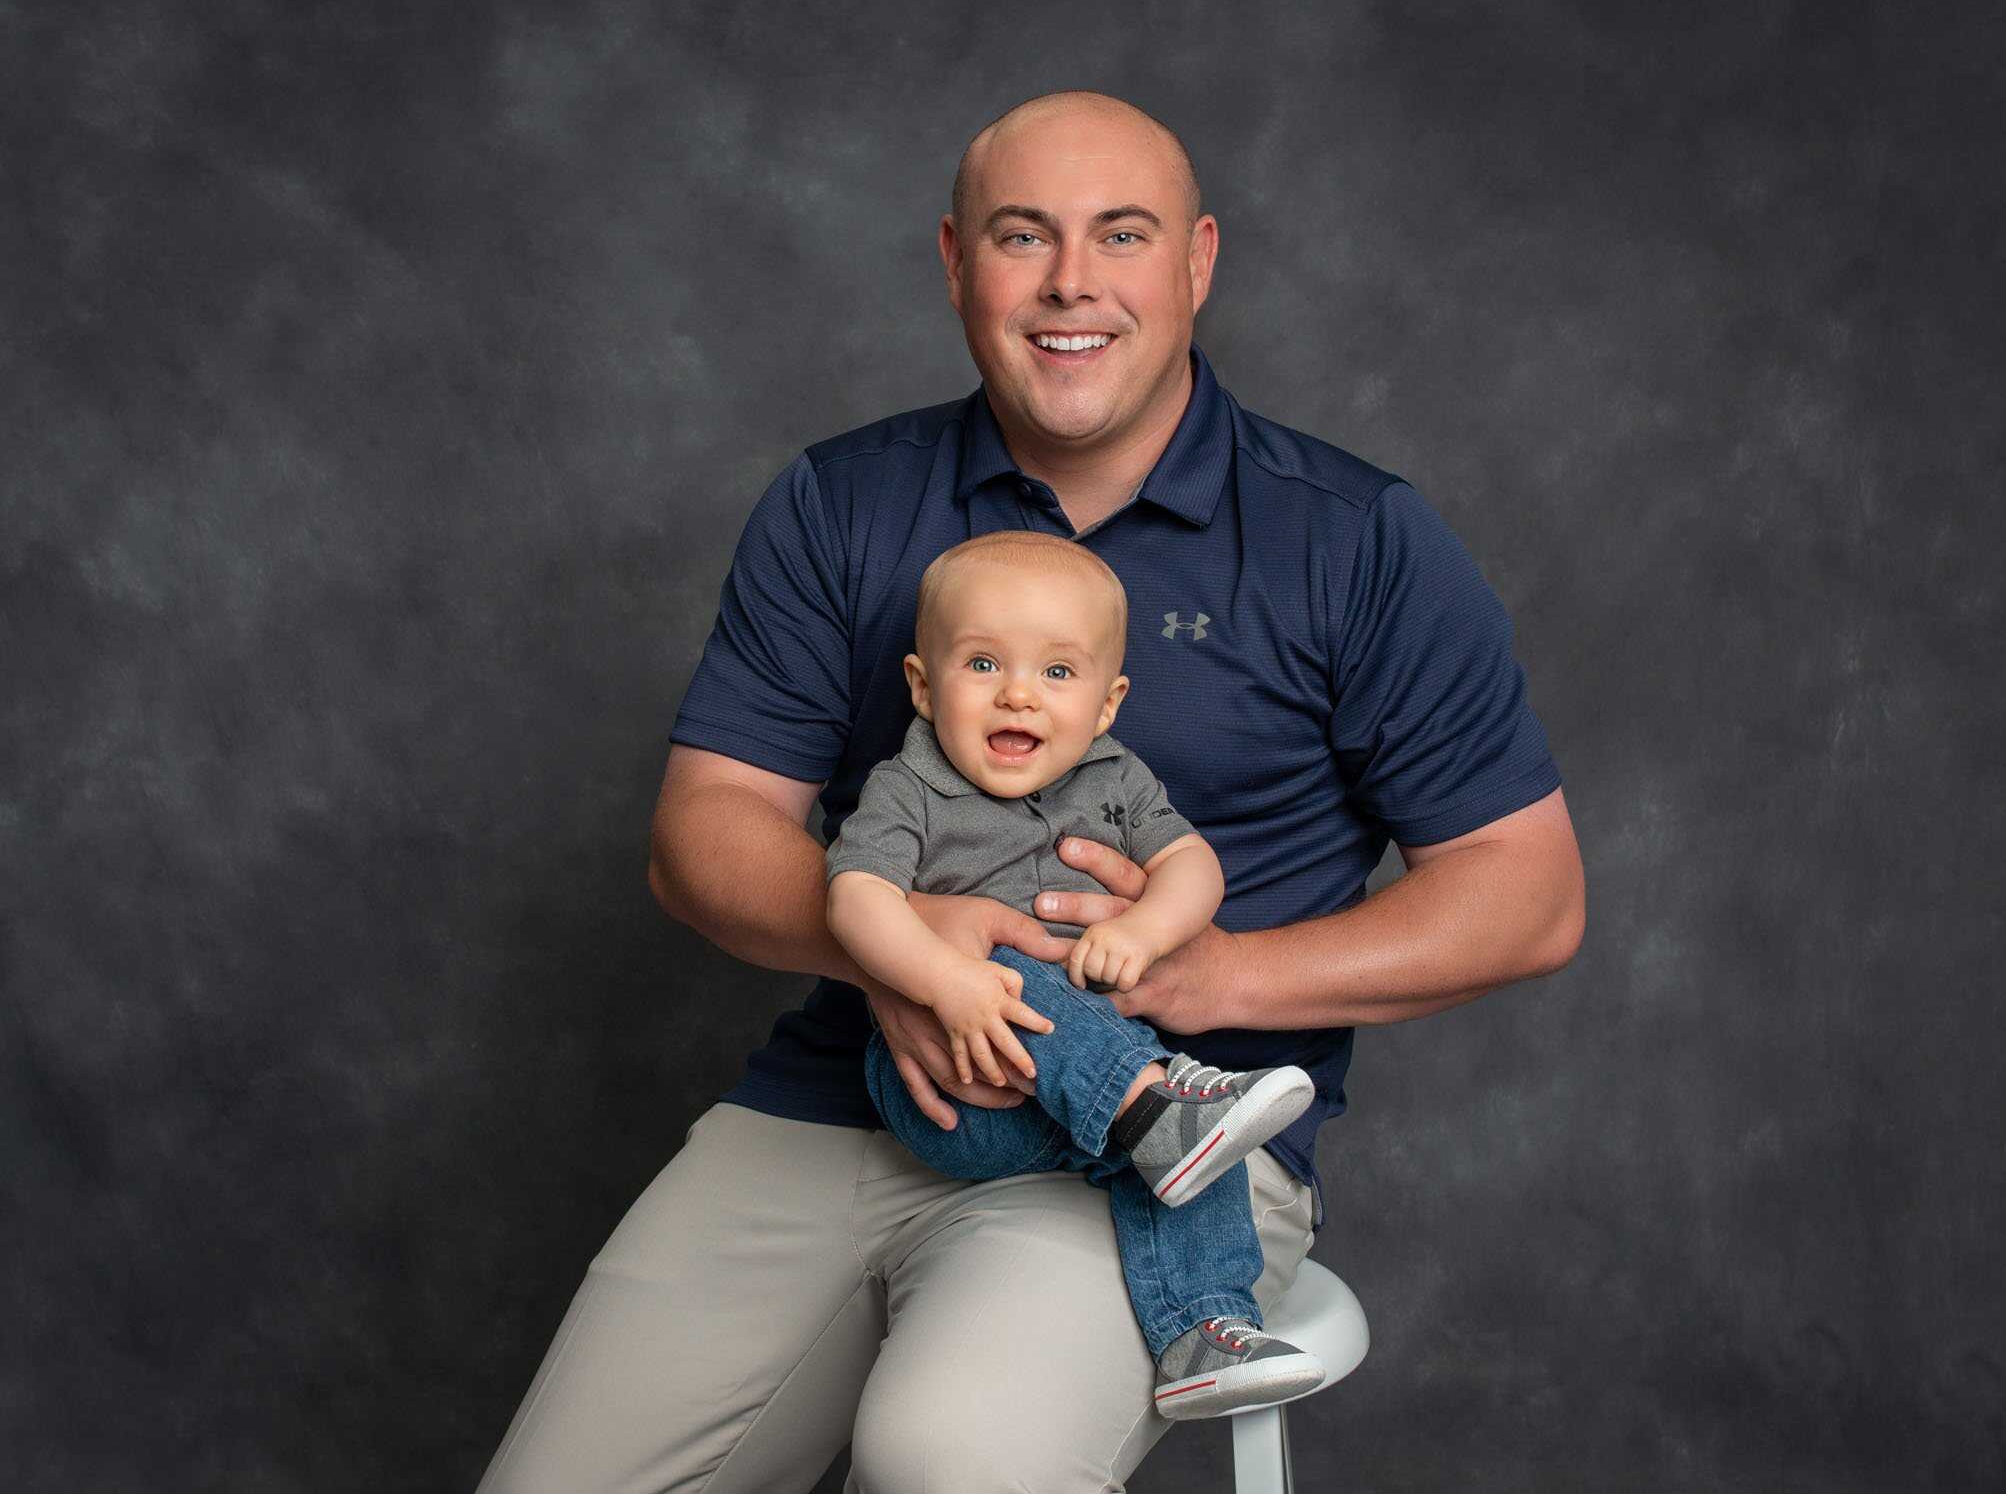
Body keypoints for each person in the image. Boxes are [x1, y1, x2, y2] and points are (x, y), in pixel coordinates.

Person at [477, 88, 1585, 1494]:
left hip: (1154, 1148)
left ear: (1196, 262)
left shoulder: (1353, 539)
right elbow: (701, 831)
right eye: (1023, 236)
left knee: (954, 1456)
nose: (1070, 282)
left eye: (1120, 236)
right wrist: (898, 950)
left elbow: (1528, 892)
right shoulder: (842, 504)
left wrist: (1212, 973)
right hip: (847, 1101)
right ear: (955, 264)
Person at [827, 527, 1327, 1419]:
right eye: (982, 663)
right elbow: (855, 898)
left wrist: (1144, 928)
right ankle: (1151, 1106)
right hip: (954, 1087)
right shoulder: (910, 783)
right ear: (921, 684)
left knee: (1191, 1158)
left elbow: (1193, 867)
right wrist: (945, 980)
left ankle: (1206, 1333)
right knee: (1014, 956)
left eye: (1058, 673)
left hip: (1078, 1097)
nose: (1019, 692)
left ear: (1106, 703)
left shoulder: (1115, 777)